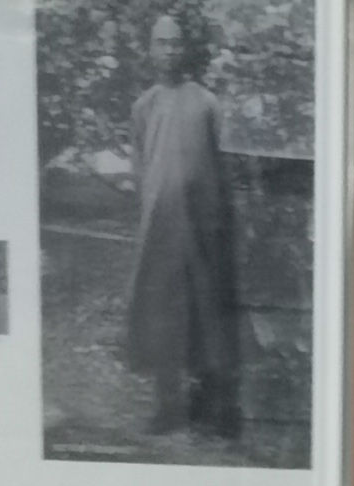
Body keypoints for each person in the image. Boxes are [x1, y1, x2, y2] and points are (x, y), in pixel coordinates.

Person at [120, 10, 244, 442]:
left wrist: (219, 221)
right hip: (160, 230)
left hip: (203, 230)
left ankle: (216, 406)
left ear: (186, 49)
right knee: (161, 314)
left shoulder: (206, 103)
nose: (170, 51)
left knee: (207, 312)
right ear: (150, 49)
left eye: (176, 43)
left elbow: (223, 168)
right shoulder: (144, 106)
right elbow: (141, 169)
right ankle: (168, 405)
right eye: (162, 42)